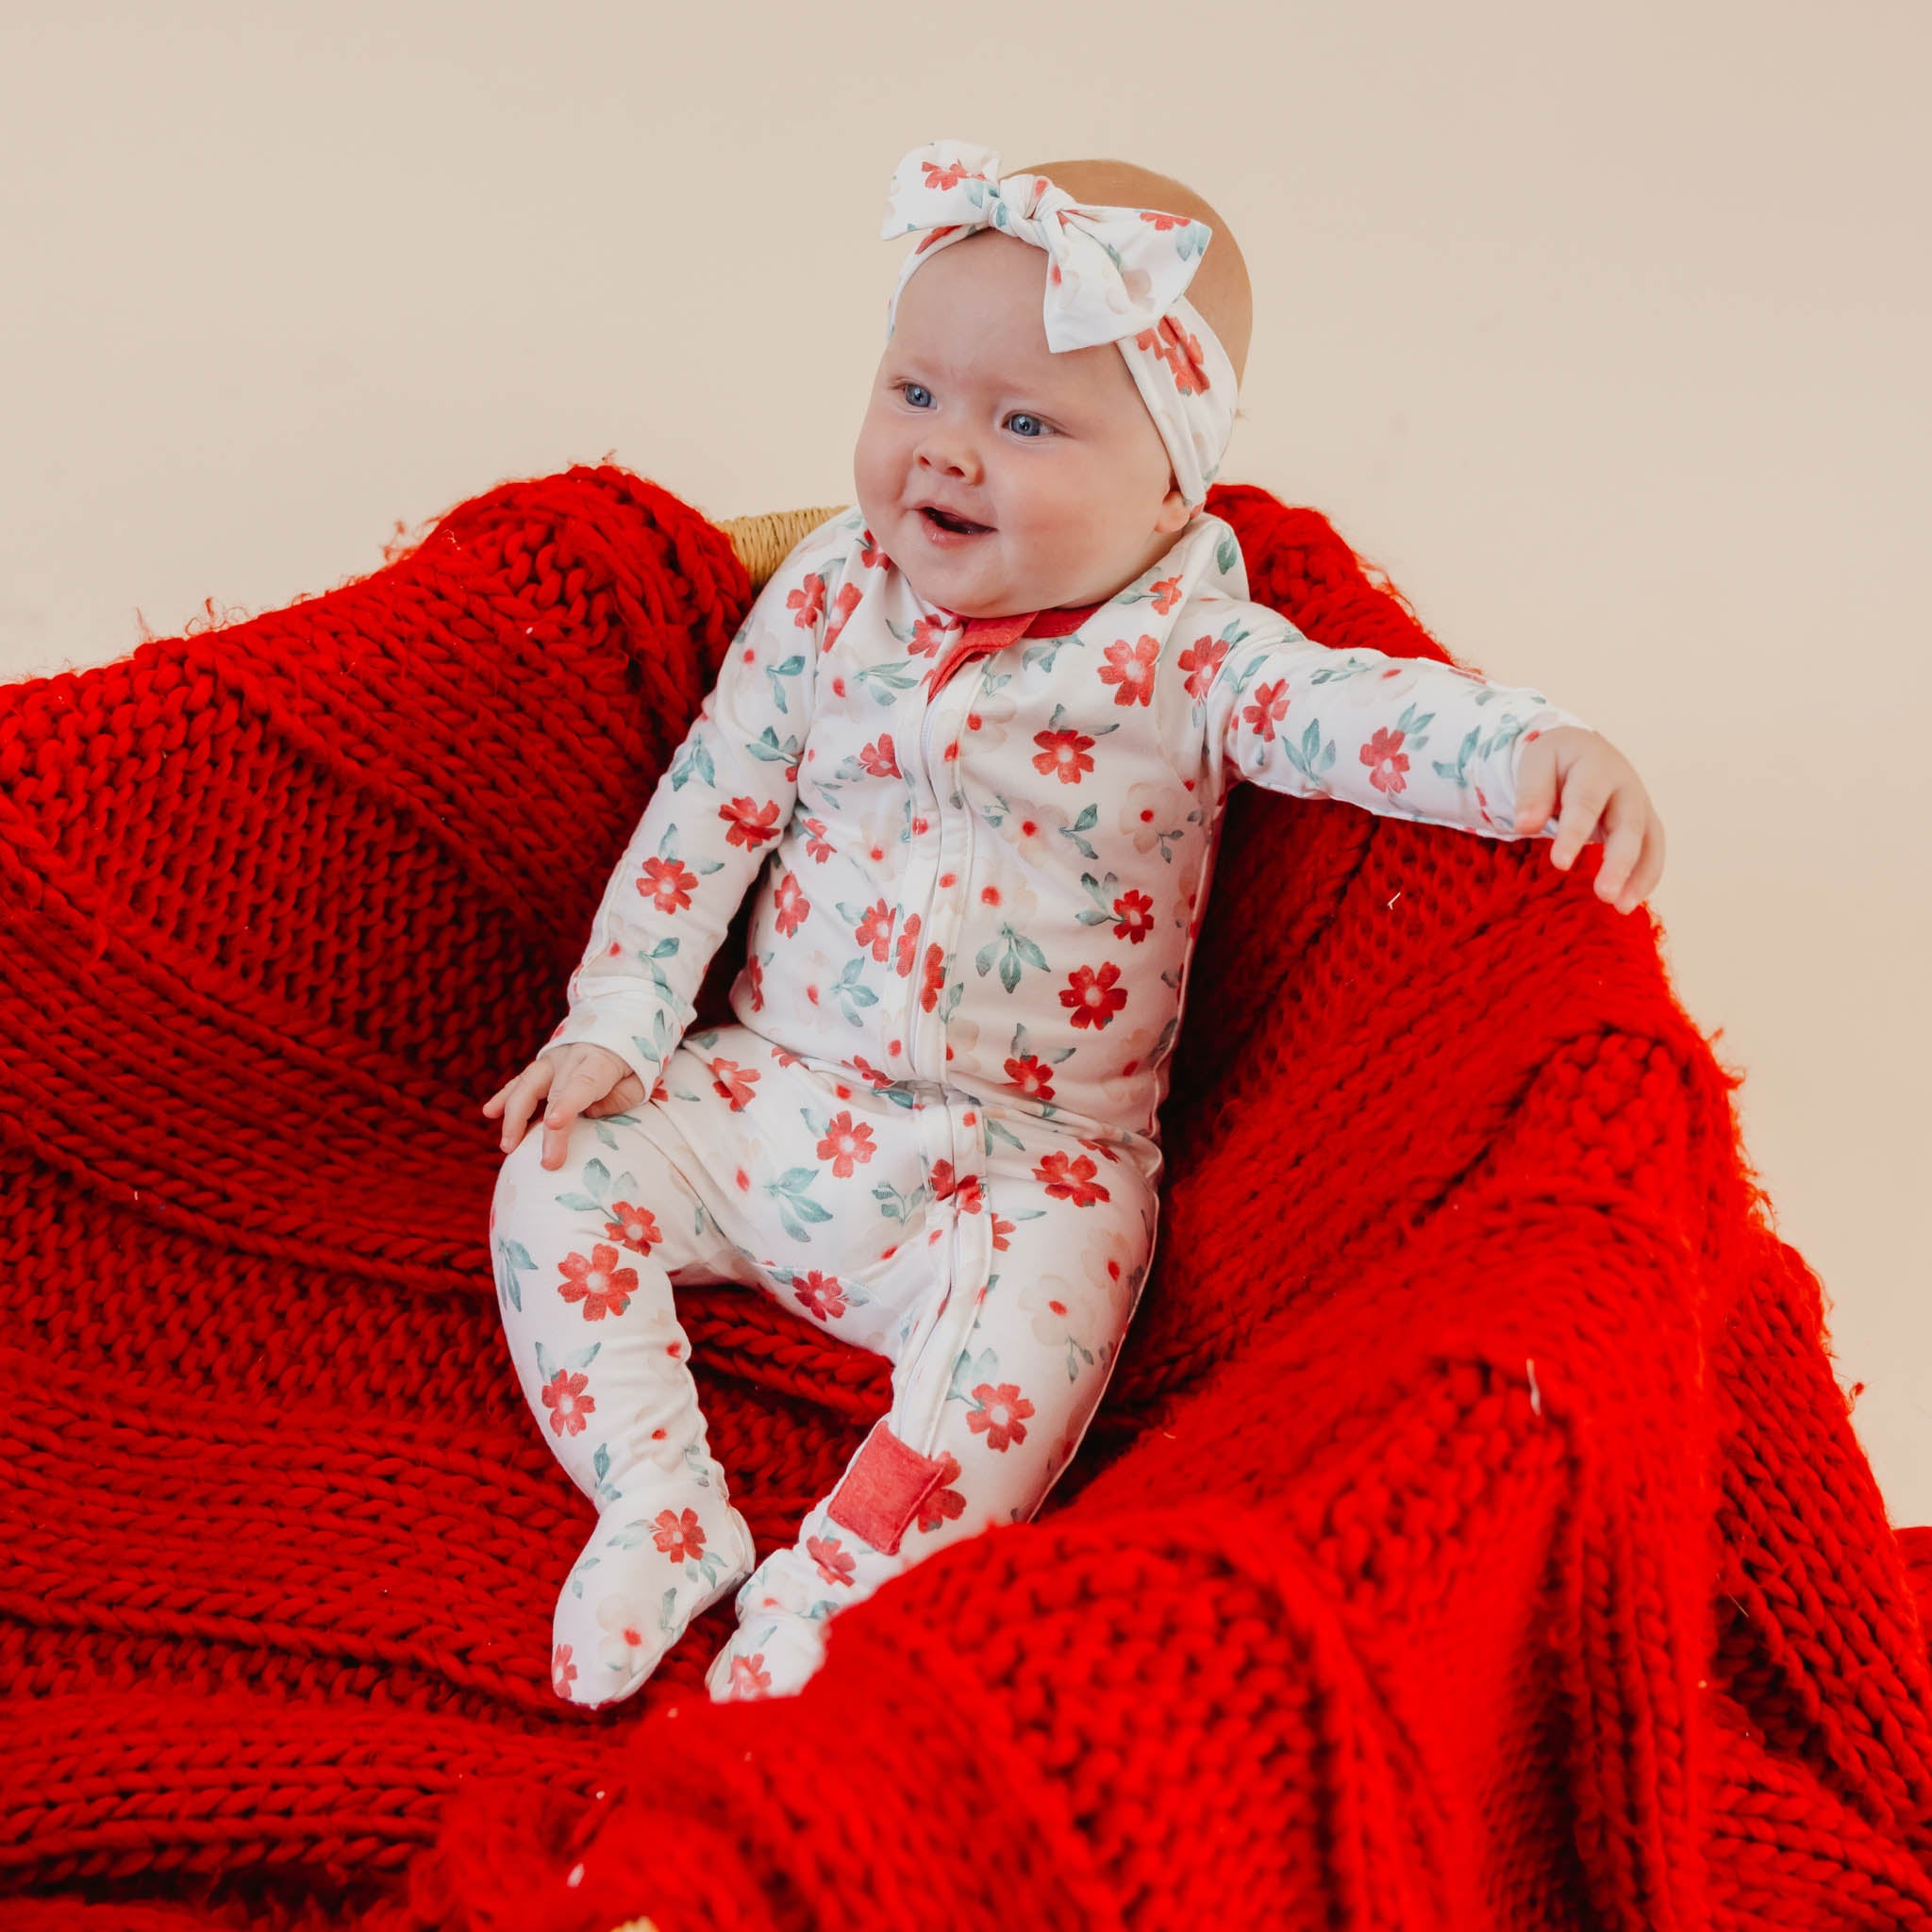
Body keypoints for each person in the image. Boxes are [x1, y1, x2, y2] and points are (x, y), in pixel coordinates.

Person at [481, 139, 1666, 1709]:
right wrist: (619, 1024)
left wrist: (1532, 754)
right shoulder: (830, 596)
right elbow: (712, 807)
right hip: (777, 1094)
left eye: (1025, 423)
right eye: (914, 393)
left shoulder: (1193, 651)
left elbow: (1352, 712)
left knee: (1020, 1369)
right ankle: (657, 1499)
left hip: (1024, 1166)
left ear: (1173, 481)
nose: (945, 452)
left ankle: (834, 1592)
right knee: (556, 1174)